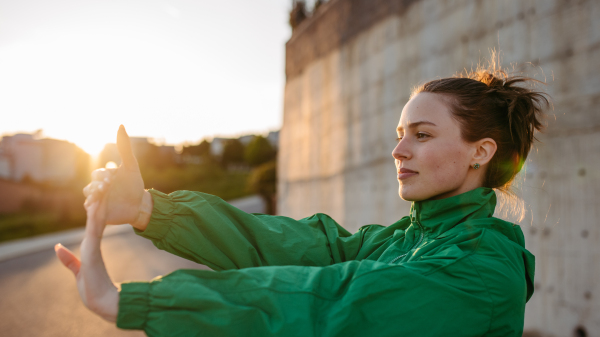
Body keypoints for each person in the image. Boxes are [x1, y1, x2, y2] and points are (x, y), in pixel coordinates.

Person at [55, 62, 549, 336]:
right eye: (400, 133)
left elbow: (335, 303)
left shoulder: (481, 271)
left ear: (480, 152)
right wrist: (149, 209)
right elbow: (308, 248)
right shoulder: (411, 237)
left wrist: (137, 301)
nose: (398, 150)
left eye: (421, 134)